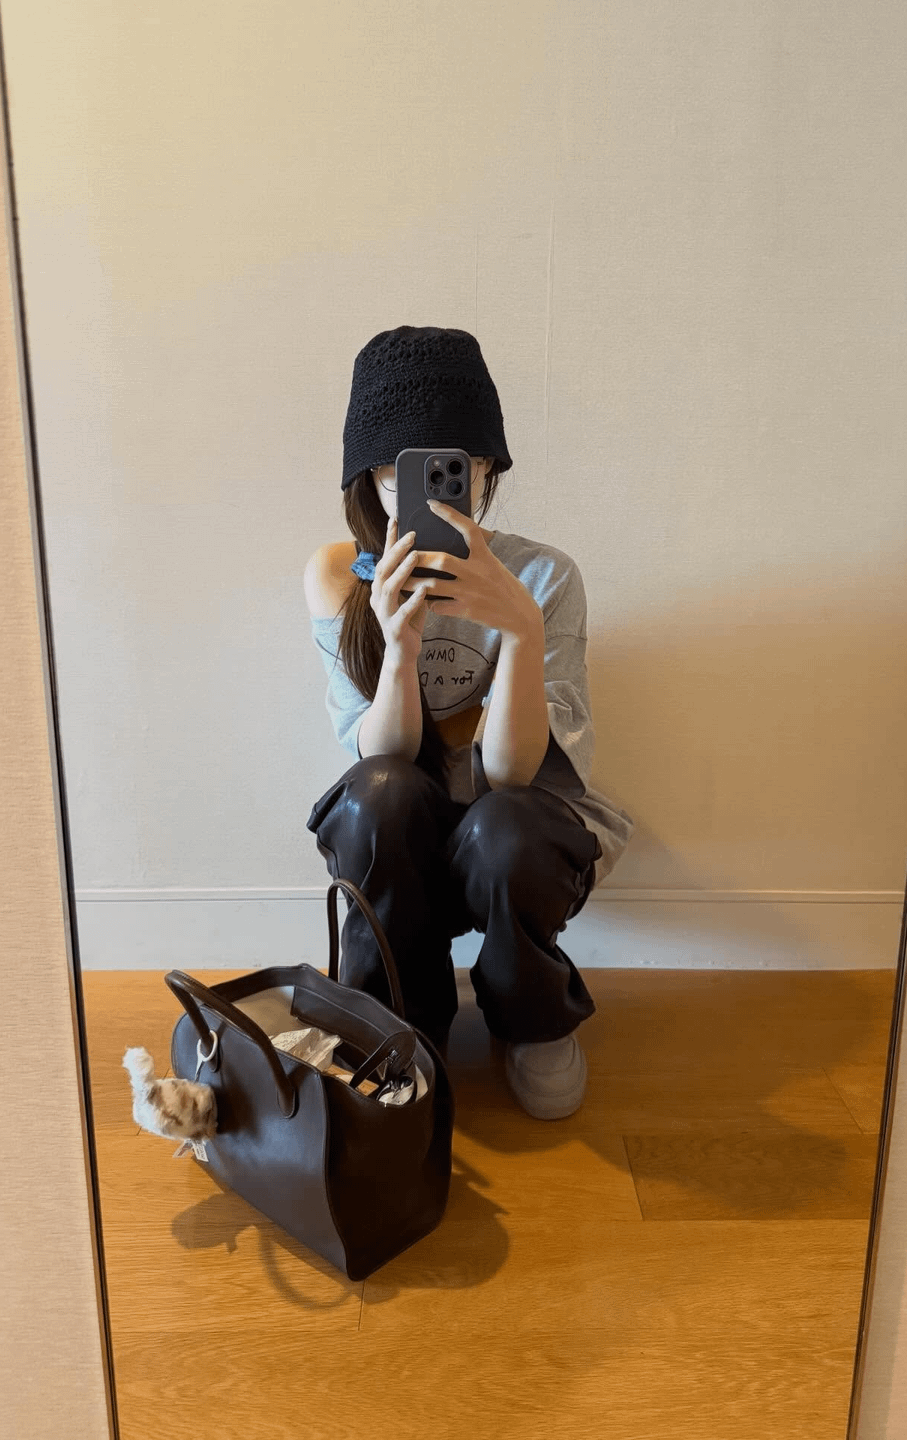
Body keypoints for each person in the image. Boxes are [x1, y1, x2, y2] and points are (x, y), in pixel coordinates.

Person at [303, 326, 633, 1119]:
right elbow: (379, 758)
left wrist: (520, 628)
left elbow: (515, 777)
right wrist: (398, 645)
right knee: (378, 792)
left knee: (505, 825)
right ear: (369, 480)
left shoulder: (543, 577)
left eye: (454, 469)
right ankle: (398, 1023)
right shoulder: (341, 576)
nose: (430, 493)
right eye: (401, 473)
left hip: (515, 831)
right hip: (403, 831)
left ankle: (533, 1018)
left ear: (488, 469)